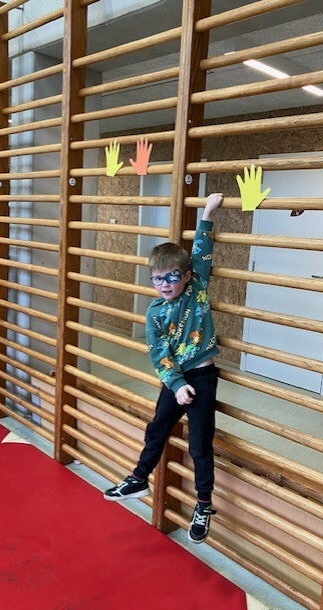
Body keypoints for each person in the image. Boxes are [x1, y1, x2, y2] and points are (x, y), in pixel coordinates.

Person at [104, 192, 224, 544]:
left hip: (202, 376)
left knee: (199, 445)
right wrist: (176, 384)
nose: (165, 285)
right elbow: (159, 353)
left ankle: (204, 505)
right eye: (157, 279)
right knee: (157, 428)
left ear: (186, 276)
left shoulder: (197, 287)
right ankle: (139, 478)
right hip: (175, 381)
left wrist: (207, 213)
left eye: (171, 278)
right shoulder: (155, 312)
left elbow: (202, 249)